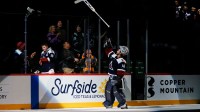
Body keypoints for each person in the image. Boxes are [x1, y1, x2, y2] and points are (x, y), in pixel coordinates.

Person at [103, 38, 129, 109]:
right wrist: (107, 45)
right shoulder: (114, 56)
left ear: (122, 52)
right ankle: (109, 103)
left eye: (119, 49)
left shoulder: (121, 60)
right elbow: (108, 52)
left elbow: (121, 72)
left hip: (116, 78)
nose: (118, 49)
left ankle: (122, 103)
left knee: (115, 90)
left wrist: (117, 79)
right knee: (108, 90)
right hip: (111, 77)